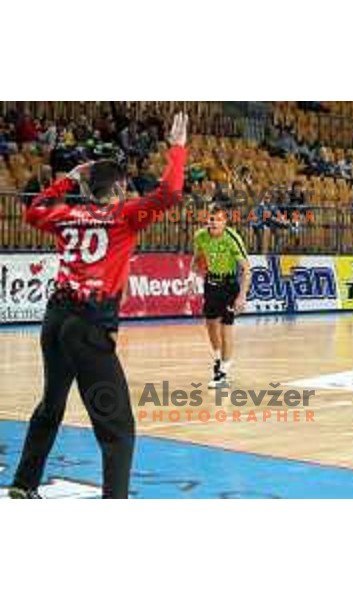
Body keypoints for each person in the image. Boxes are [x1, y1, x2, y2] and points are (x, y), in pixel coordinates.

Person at [9, 113, 189, 499]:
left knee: (50, 405)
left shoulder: (66, 214)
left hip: (55, 320)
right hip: (88, 327)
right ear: (121, 189)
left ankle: (24, 484)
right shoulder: (124, 216)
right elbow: (171, 193)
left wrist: (66, 180)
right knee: (118, 431)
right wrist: (177, 148)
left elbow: (32, 210)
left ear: (88, 190)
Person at [189, 210, 251, 388]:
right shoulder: (200, 236)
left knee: (226, 330)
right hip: (211, 283)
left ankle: (223, 373)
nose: (213, 223)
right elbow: (197, 259)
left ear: (225, 223)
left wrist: (241, 296)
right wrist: (191, 278)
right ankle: (217, 359)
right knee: (210, 325)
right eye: (210, 219)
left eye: (218, 220)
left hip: (229, 285)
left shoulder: (232, 238)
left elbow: (247, 269)